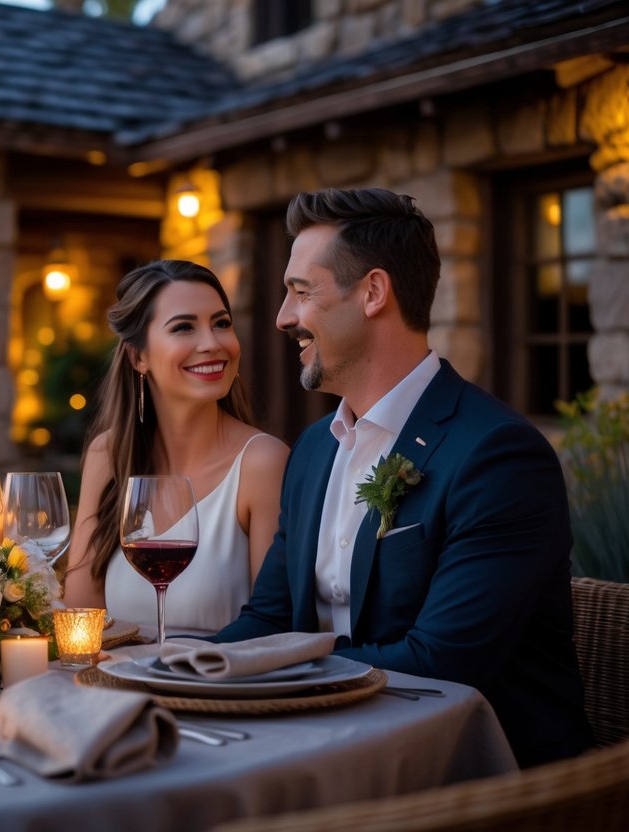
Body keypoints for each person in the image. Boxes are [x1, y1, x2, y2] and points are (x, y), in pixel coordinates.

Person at [215, 187, 591, 767]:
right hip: (318, 746)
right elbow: (267, 618)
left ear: (373, 292)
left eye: (301, 292)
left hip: (474, 778)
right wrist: (172, 669)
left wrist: (275, 671)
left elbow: (442, 662)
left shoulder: (498, 456)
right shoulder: (315, 449)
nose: (283, 317)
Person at [63, 260, 289, 635]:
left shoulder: (262, 463)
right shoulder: (108, 456)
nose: (212, 343)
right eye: (184, 327)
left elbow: (273, 630)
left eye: (221, 323)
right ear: (139, 357)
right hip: (116, 685)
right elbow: (80, 619)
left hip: (222, 688)